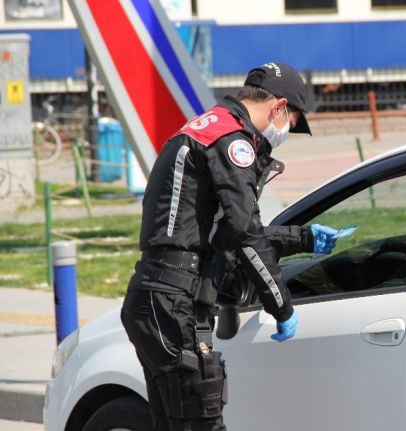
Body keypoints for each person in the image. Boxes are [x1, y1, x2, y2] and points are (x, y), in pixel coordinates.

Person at [121, 62, 339, 431]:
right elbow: (244, 232)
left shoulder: (206, 128)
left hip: (157, 295)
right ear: (279, 107)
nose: (287, 130)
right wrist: (281, 307)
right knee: (201, 422)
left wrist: (301, 238)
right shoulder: (233, 140)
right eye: (293, 121)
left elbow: (222, 229)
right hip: (175, 301)